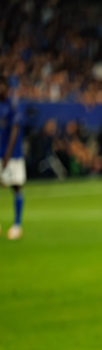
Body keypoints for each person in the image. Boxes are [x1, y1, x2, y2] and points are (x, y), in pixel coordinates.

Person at [0, 76, 25, 240]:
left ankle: (17, 224)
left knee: (16, 186)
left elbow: (15, 131)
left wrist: (7, 155)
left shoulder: (13, 104)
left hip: (13, 155)